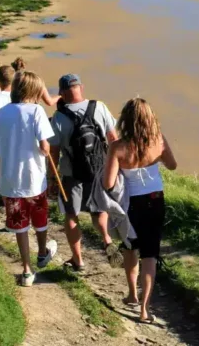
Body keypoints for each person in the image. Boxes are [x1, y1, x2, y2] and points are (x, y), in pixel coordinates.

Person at [103, 98, 177, 324]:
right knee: (150, 256)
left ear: (125, 119)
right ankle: (145, 309)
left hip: (130, 205)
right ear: (150, 118)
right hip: (155, 201)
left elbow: (108, 183)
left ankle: (132, 295)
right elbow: (173, 165)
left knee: (130, 250)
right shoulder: (159, 140)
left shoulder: (118, 147)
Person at [49, 73, 120, 271]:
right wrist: (115, 168)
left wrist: (52, 178)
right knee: (99, 211)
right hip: (99, 170)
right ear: (82, 87)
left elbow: (53, 150)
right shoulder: (99, 107)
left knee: (71, 215)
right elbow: (113, 139)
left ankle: (78, 260)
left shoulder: (59, 117)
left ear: (62, 93)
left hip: (72, 173)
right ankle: (106, 240)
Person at [0, 70, 58, 286]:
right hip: (33, 177)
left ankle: (27, 270)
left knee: (20, 225)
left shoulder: (2, 112)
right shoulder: (36, 111)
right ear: (33, 90)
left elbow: (1, 142)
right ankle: (42, 252)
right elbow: (45, 146)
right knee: (40, 219)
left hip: (10, 178)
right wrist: (46, 151)